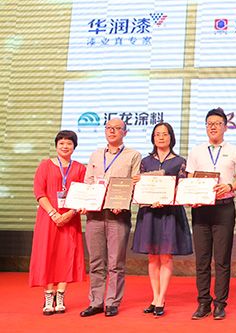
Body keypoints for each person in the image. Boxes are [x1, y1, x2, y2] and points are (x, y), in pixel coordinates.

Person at [186, 108, 236, 320]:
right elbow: (190, 179)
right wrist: (191, 195)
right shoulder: (196, 151)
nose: (213, 127)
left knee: (222, 259)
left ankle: (220, 303)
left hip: (224, 209)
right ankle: (203, 302)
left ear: (225, 127)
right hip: (201, 209)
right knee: (202, 260)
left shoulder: (235, 151)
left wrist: (229, 186)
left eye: (217, 123)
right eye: (209, 123)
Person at [80, 118, 142, 317]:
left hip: (118, 215)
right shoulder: (96, 154)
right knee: (95, 262)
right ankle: (96, 302)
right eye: (109, 128)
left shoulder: (133, 155)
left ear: (125, 132)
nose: (112, 131)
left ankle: (112, 302)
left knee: (116, 263)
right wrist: (85, 201)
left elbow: (135, 183)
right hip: (95, 215)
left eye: (117, 128)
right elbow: (88, 182)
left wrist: (122, 202)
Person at [131, 122, 192, 317]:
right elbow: (140, 187)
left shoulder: (180, 161)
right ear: (153, 138)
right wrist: (137, 183)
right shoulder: (146, 161)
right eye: (157, 134)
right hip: (149, 212)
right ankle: (155, 297)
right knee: (152, 256)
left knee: (166, 256)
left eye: (164, 134)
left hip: (169, 213)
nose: (161, 137)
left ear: (171, 137)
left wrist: (166, 199)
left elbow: (182, 187)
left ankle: (161, 298)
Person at [29, 130, 87, 315]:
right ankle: (48, 296)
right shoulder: (45, 165)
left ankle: (60, 295)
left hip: (70, 218)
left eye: (69, 143)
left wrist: (70, 214)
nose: (65, 146)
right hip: (48, 218)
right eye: (61, 143)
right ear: (56, 145)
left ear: (74, 147)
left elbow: (83, 195)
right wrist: (54, 214)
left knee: (67, 254)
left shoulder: (80, 168)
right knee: (47, 254)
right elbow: (39, 192)